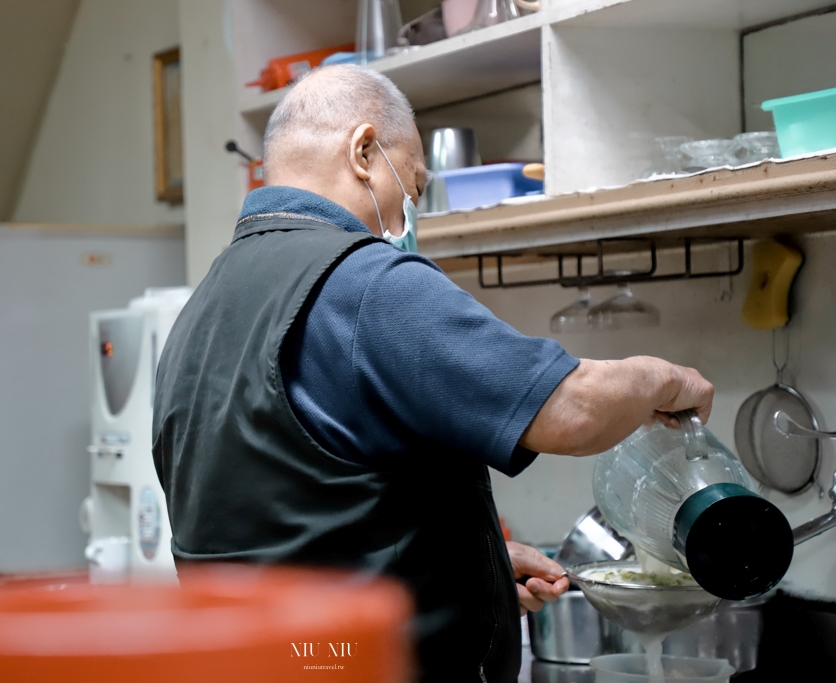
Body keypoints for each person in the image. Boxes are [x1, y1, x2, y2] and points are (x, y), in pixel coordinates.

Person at [152, 65, 714, 683]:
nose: (407, 212)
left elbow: (296, 516)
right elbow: (572, 410)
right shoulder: (367, 284)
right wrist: (664, 377)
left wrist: (482, 570)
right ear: (364, 151)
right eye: (412, 184)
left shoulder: (200, 311)